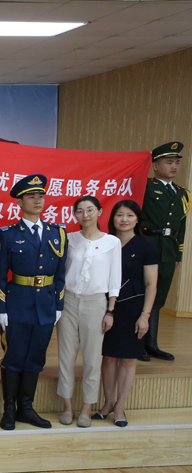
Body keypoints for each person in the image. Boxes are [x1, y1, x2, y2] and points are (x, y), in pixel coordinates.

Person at [0, 174, 68, 430]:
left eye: (40, 196)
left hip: (45, 305)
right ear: (19, 202)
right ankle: (9, 409)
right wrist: (1, 308)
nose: (37, 200)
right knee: (14, 356)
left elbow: (60, 274)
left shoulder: (57, 233)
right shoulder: (7, 234)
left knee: (36, 357)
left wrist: (58, 305)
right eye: (31, 196)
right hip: (18, 303)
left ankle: (26, 408)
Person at [56, 196, 121, 428]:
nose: (85, 215)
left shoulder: (112, 242)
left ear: (100, 212)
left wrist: (110, 310)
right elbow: (61, 271)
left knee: (93, 359)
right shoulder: (69, 239)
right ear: (75, 214)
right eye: (80, 211)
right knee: (66, 356)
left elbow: (115, 279)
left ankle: (86, 408)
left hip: (96, 303)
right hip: (68, 301)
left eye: (90, 210)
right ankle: (67, 406)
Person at [98, 201, 158, 427]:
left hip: (133, 308)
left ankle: (120, 406)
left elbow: (151, 284)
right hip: (105, 307)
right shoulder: (105, 243)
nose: (124, 219)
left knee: (127, 358)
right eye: (119, 215)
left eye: (130, 215)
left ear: (137, 219)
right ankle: (108, 402)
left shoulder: (146, 246)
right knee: (108, 357)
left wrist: (145, 315)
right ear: (112, 218)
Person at [140, 141, 188, 361]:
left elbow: (181, 227)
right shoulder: (146, 187)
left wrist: (178, 255)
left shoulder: (182, 193)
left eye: (176, 162)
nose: (174, 166)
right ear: (155, 165)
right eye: (169, 162)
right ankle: (137, 343)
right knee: (143, 295)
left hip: (168, 249)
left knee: (159, 298)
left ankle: (152, 344)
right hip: (148, 245)